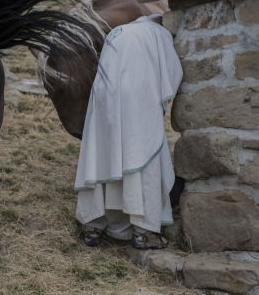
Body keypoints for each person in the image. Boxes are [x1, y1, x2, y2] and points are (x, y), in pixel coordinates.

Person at [74, 14, 182, 250]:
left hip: (103, 97)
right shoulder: (159, 34)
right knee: (143, 158)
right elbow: (173, 73)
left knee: (104, 155)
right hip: (137, 99)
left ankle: (94, 225)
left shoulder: (118, 31)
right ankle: (144, 232)